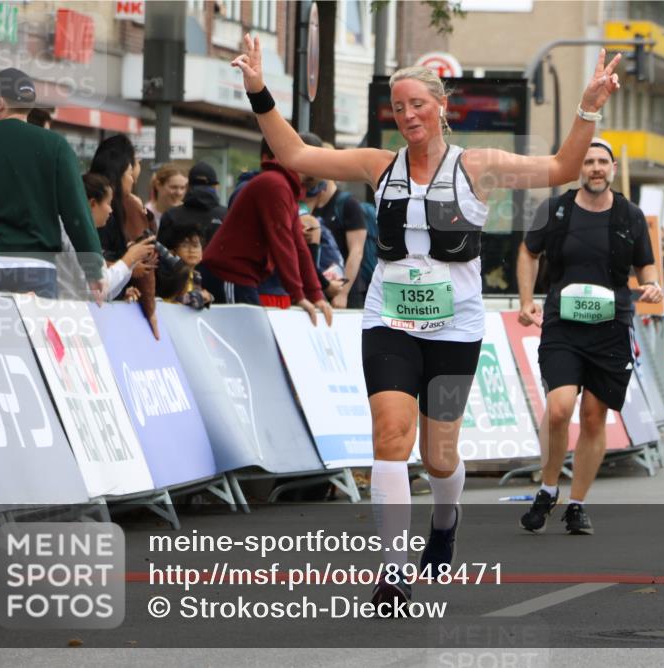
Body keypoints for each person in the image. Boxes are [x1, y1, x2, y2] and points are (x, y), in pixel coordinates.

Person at [232, 33, 620, 610]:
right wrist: (259, 90)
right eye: (399, 106)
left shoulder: (479, 167)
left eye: (418, 103)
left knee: (440, 455)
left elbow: (564, 165)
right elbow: (296, 156)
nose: (408, 115)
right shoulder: (377, 166)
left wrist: (589, 106)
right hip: (388, 320)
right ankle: (392, 573)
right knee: (390, 437)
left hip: (455, 328)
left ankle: (445, 518)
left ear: (442, 106)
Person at [516, 138, 661, 535]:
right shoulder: (557, 209)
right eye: (589, 161)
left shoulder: (630, 216)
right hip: (563, 323)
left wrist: (652, 286)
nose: (596, 168)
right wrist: (527, 301)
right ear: (580, 168)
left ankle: (576, 503)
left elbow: (647, 267)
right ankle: (548, 488)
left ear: (613, 168)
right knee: (560, 407)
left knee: (594, 416)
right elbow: (529, 252)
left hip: (611, 327)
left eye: (603, 162)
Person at [0, 68, 103, 299]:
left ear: (1, 102)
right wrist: (93, 269)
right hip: (38, 266)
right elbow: (77, 211)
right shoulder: (56, 146)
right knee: (33, 334)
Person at [199, 137, 330, 325]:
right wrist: (300, 295)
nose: (327, 172)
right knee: (248, 341)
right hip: (229, 274)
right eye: (324, 163)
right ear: (311, 160)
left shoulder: (283, 185)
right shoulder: (276, 185)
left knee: (252, 340)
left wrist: (315, 294)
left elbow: (298, 246)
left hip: (239, 276)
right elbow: (283, 243)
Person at [89, 134, 161, 337]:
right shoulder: (83, 225)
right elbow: (90, 277)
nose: (110, 210)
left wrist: (122, 288)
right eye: (131, 173)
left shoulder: (124, 206)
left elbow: (102, 280)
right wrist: (129, 261)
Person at [55, 173, 156, 301]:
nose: (111, 210)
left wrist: (132, 260)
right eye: (108, 203)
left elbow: (104, 293)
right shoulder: (73, 233)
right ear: (92, 204)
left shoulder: (81, 231)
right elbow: (97, 289)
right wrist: (128, 259)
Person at [301, 141, 368, 309]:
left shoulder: (348, 204)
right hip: (320, 286)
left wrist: (343, 293)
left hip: (346, 290)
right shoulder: (310, 201)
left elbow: (356, 251)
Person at [159, 162, 226, 244]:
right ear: (216, 186)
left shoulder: (171, 216)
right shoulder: (226, 215)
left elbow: (161, 253)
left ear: (188, 186)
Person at [157, 219, 213, 309]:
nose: (191, 250)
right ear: (173, 252)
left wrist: (207, 298)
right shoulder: (172, 274)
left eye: (195, 246)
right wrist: (201, 297)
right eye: (185, 245)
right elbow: (180, 299)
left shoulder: (196, 276)